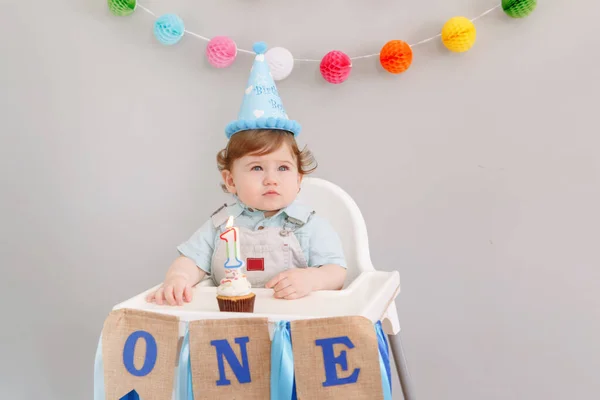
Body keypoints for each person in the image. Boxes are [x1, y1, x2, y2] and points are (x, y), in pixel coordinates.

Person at [146, 42, 346, 306]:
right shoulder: (221, 226)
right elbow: (190, 261)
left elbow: (336, 272)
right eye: (256, 168)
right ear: (230, 181)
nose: (271, 178)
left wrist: (311, 279)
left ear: (298, 179)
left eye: (283, 168)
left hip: (292, 324)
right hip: (231, 328)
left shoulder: (308, 226)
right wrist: (178, 278)